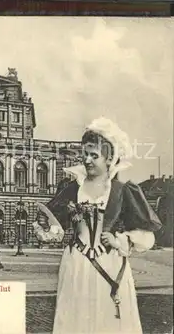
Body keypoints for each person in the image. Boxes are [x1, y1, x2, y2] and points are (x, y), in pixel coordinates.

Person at [34, 117, 162, 334]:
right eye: (85, 154)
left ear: (109, 158)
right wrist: (47, 229)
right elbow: (57, 226)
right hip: (77, 263)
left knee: (108, 317)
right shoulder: (72, 188)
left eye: (94, 156)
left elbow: (147, 236)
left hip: (110, 261)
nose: (87, 160)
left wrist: (121, 240)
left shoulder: (122, 191)